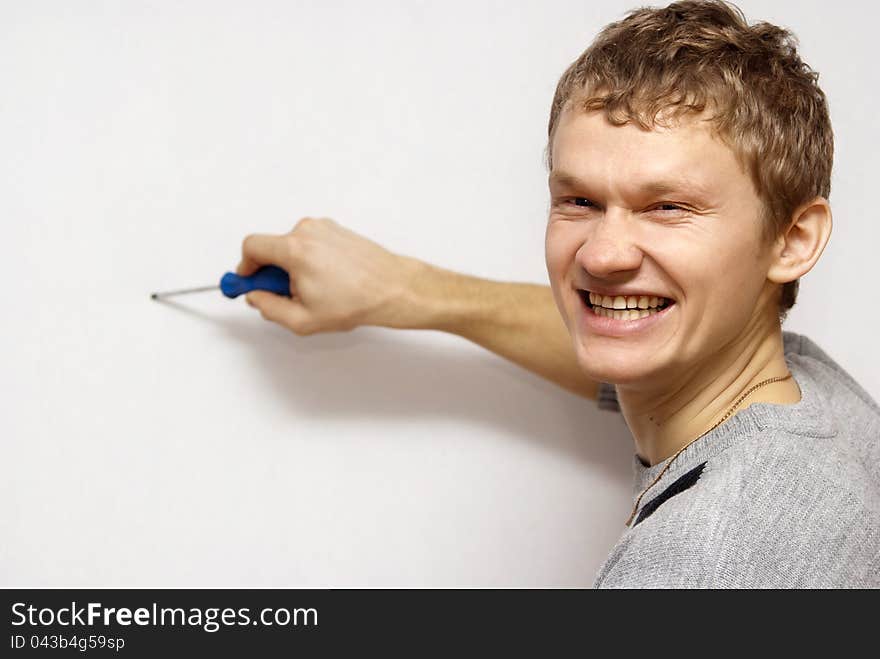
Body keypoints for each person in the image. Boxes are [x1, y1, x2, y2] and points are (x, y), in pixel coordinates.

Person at [234, 0, 880, 588]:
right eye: (578, 200)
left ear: (793, 239)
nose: (602, 254)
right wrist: (406, 290)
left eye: (667, 207)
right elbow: (636, 346)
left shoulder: (703, 557)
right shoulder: (812, 398)